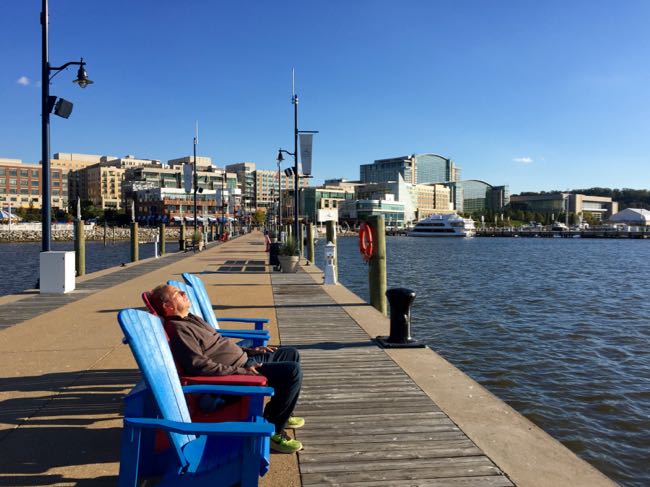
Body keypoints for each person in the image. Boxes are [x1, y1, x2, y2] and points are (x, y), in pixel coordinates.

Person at [150, 284, 304, 454]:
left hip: (244, 360)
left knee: (291, 354)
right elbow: (199, 366)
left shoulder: (190, 318)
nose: (183, 293)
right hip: (236, 373)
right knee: (292, 372)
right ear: (168, 306)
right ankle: (273, 430)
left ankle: (283, 414)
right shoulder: (179, 329)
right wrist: (243, 372)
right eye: (177, 293)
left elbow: (220, 344)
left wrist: (251, 351)